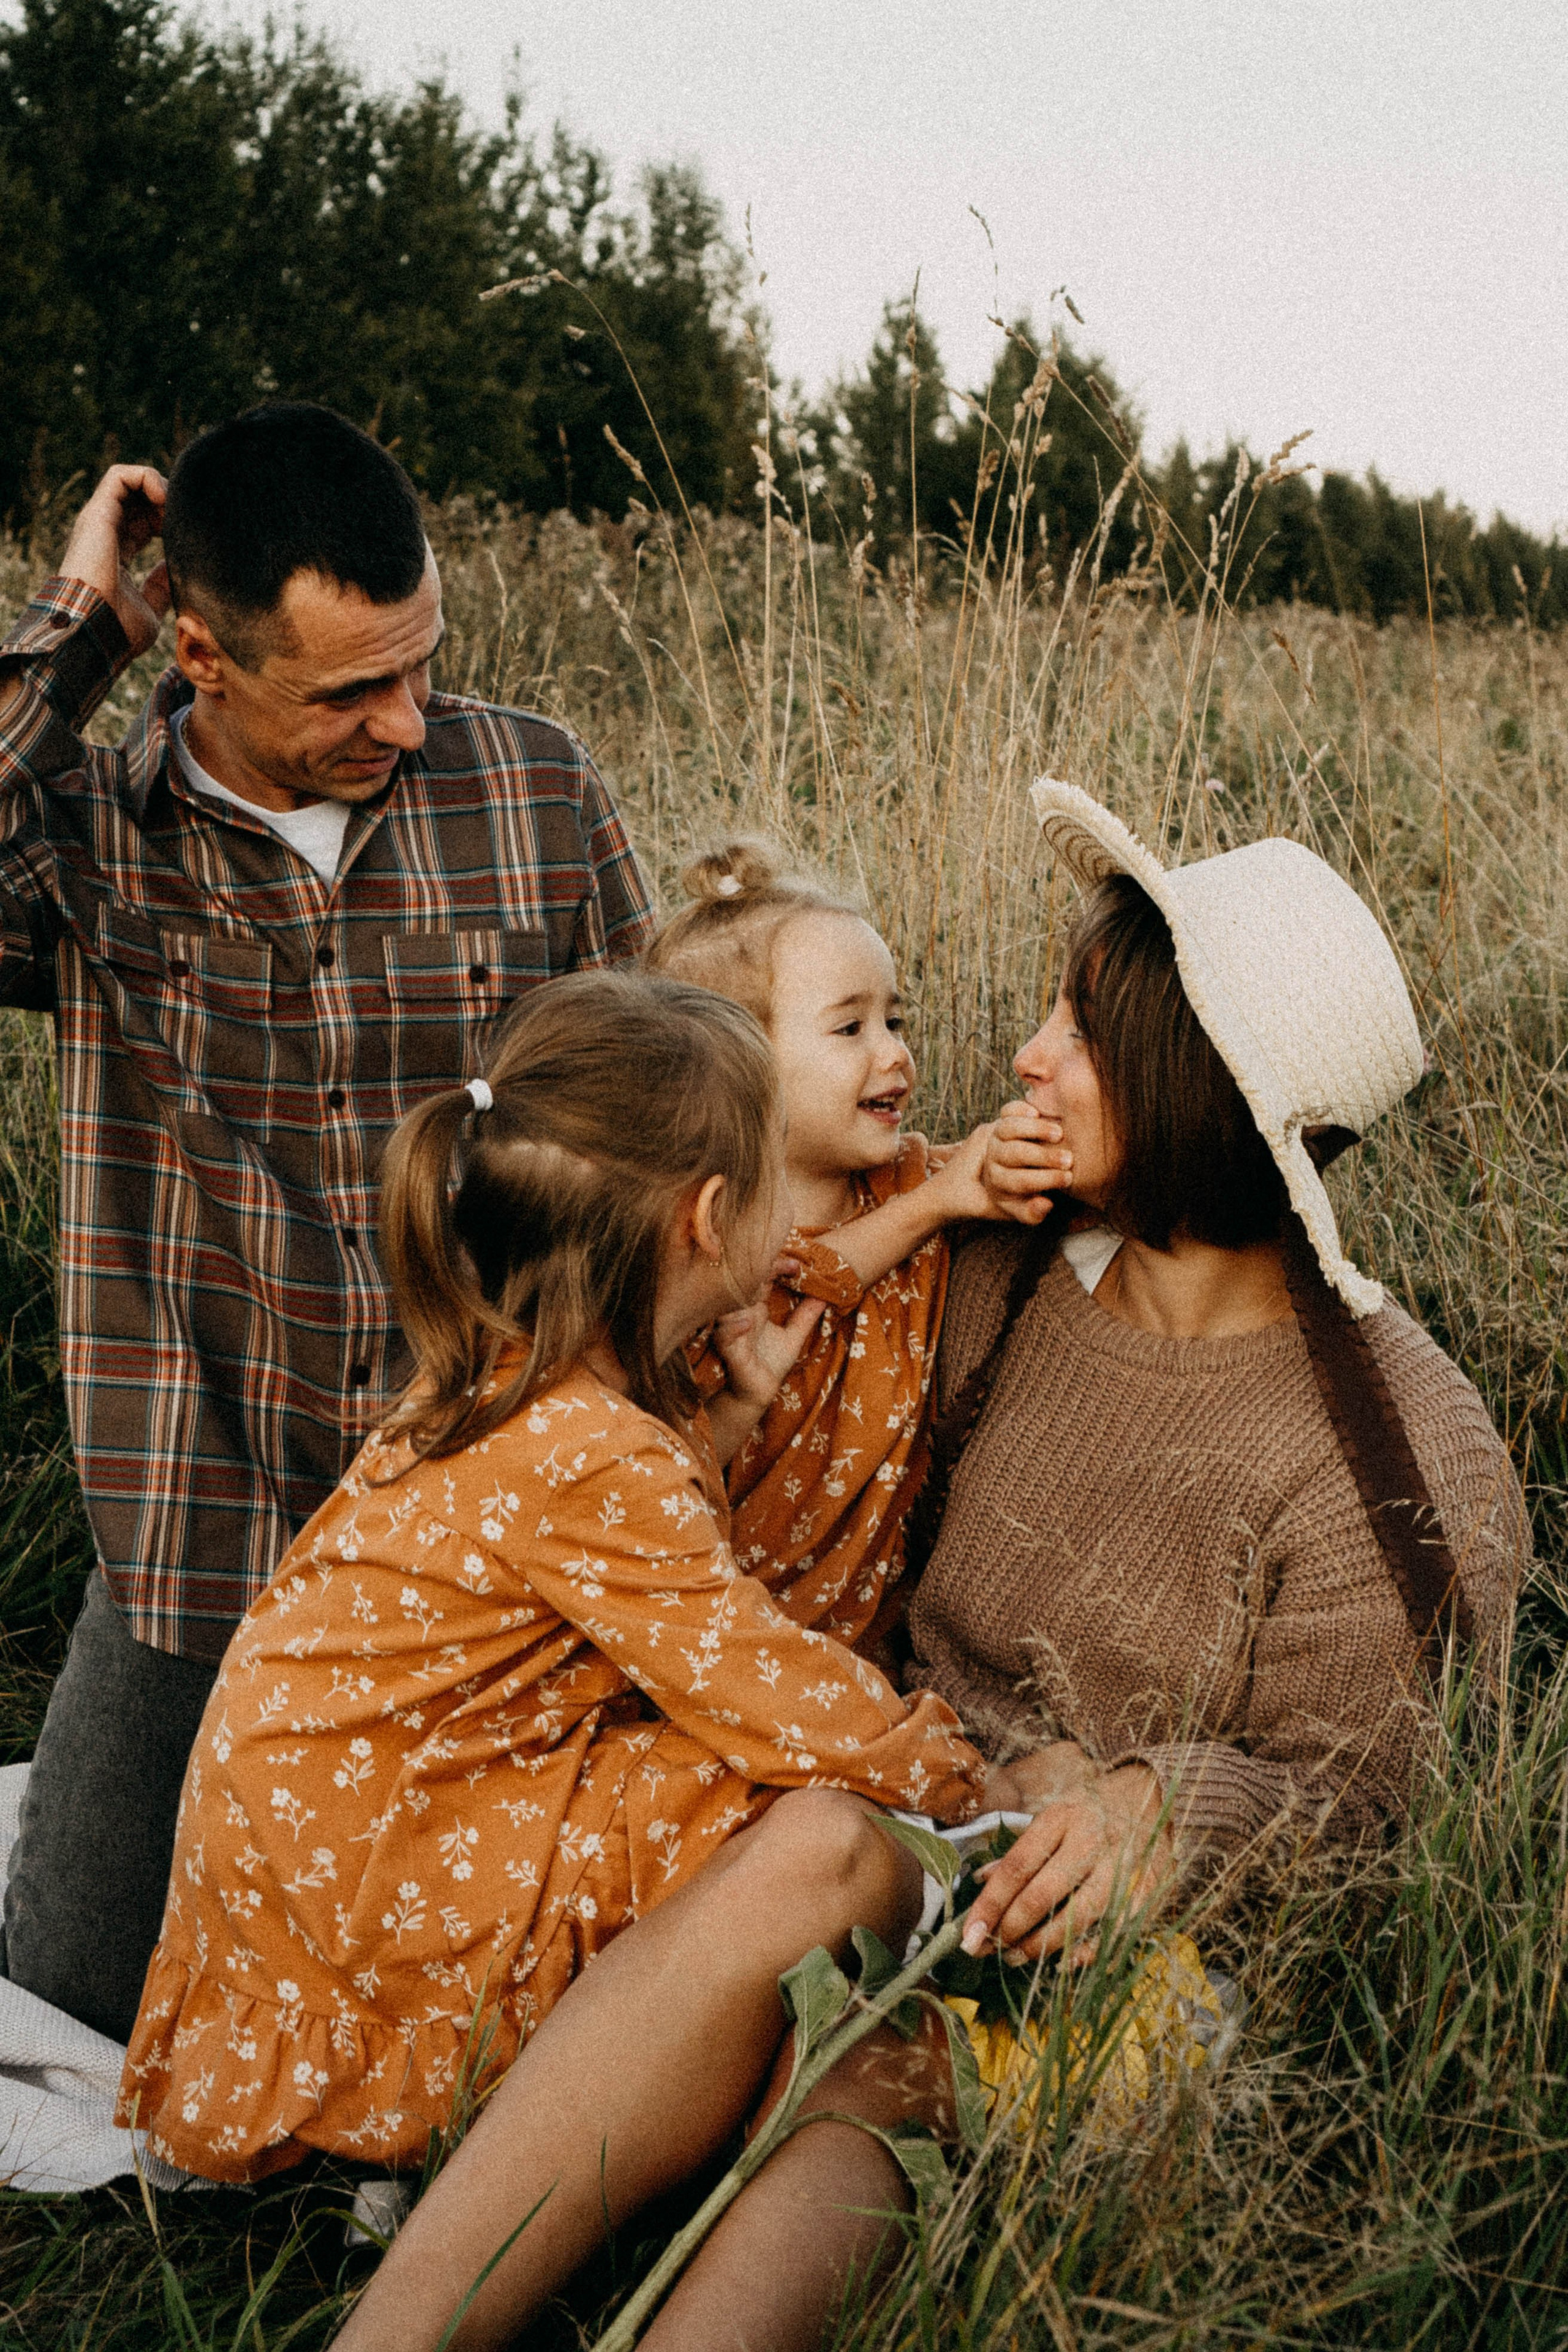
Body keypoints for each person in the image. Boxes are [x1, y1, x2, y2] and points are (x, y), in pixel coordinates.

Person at [118, 967, 986, 2350]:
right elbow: (775, 1694)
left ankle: (598, 2137)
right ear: (710, 1219)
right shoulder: (594, 1457)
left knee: (721, 1801)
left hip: (334, 1838)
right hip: (379, 1875)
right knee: (829, 1838)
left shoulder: (515, 1372)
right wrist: (963, 1781)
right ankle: (643, 2153)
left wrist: (723, 1422)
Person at [0, 407, 654, 2042]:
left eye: (423, 667)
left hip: (480, 1510)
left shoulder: (537, 790)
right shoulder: (86, 835)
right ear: (205, 660)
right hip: (203, 1512)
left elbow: (664, 1110)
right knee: (76, 1984)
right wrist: (78, 632)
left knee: (486, 1978)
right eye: (354, 691)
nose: (409, 722)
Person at [908, 781, 1528, 1971]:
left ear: (1193, 1083)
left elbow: (1371, 1809)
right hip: (874, 1817)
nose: (1029, 1058)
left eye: (1082, 1034)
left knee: (863, 2075)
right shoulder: (990, 1278)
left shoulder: (1396, 1449)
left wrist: (1161, 1808)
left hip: (1101, 1951)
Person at [645, 837, 1072, 1648]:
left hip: (861, 1631)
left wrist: (1012, 1157)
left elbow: (978, 1170)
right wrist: (939, 1204)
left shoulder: (910, 1176)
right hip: (715, 1626)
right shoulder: (708, 1230)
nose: (896, 1054)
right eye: (850, 1028)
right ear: (737, 1064)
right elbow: (809, 1272)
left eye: (896, 1019)